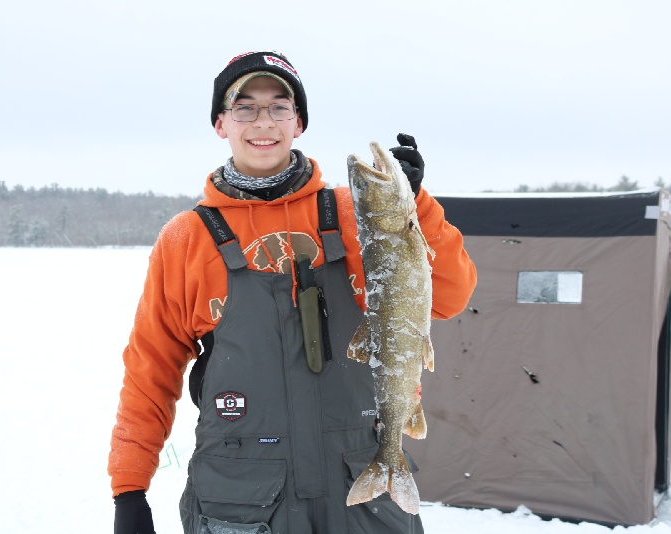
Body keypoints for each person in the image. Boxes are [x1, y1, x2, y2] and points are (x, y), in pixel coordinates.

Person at [109, 50, 477, 534]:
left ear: (298, 121)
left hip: (360, 491)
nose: (263, 122)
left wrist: (416, 206)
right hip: (240, 500)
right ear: (221, 123)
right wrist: (129, 490)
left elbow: (449, 297)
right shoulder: (185, 239)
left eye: (279, 107)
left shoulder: (353, 212)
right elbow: (149, 369)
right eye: (245, 107)